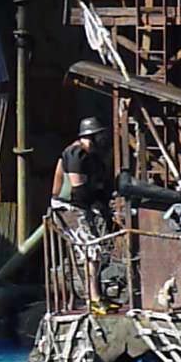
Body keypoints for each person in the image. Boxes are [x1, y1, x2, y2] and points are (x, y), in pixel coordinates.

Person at [51, 117, 116, 312]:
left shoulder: (92, 157)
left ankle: (97, 296)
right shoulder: (75, 154)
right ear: (91, 137)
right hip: (68, 209)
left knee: (96, 251)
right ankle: (93, 299)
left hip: (82, 207)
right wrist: (96, 202)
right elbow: (78, 190)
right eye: (99, 135)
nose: (103, 139)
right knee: (90, 249)